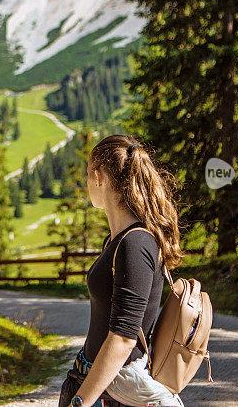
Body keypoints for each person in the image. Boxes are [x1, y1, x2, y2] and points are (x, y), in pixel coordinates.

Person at [58, 135, 186, 407]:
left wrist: (80, 402)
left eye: (87, 176)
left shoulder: (135, 244)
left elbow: (124, 337)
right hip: (99, 385)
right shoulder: (117, 242)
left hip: (114, 393)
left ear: (98, 175)